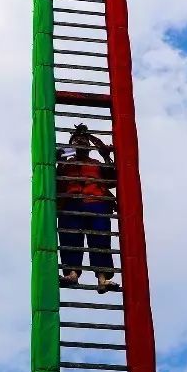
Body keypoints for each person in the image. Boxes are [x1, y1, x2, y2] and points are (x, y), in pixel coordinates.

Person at [57, 124, 121, 294]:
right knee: (70, 238)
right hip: (70, 203)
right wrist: (61, 157)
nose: (81, 142)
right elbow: (54, 180)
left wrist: (106, 156)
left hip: (96, 202)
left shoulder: (96, 163)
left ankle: (103, 279)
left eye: (84, 140)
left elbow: (113, 179)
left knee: (100, 240)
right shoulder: (64, 164)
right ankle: (72, 274)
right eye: (77, 140)